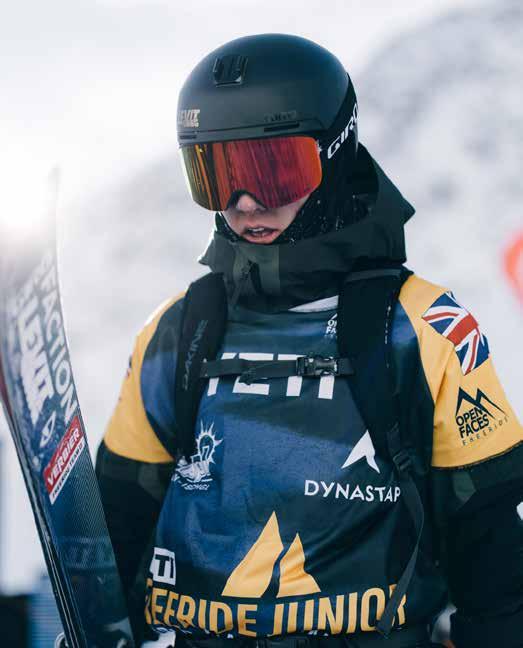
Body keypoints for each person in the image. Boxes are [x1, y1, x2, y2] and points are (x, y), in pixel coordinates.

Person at [95, 34, 523, 648]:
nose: (245, 204)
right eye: (218, 176)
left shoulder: (424, 327)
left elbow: (493, 559)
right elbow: (118, 522)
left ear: (334, 155)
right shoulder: (177, 331)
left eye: (272, 171)